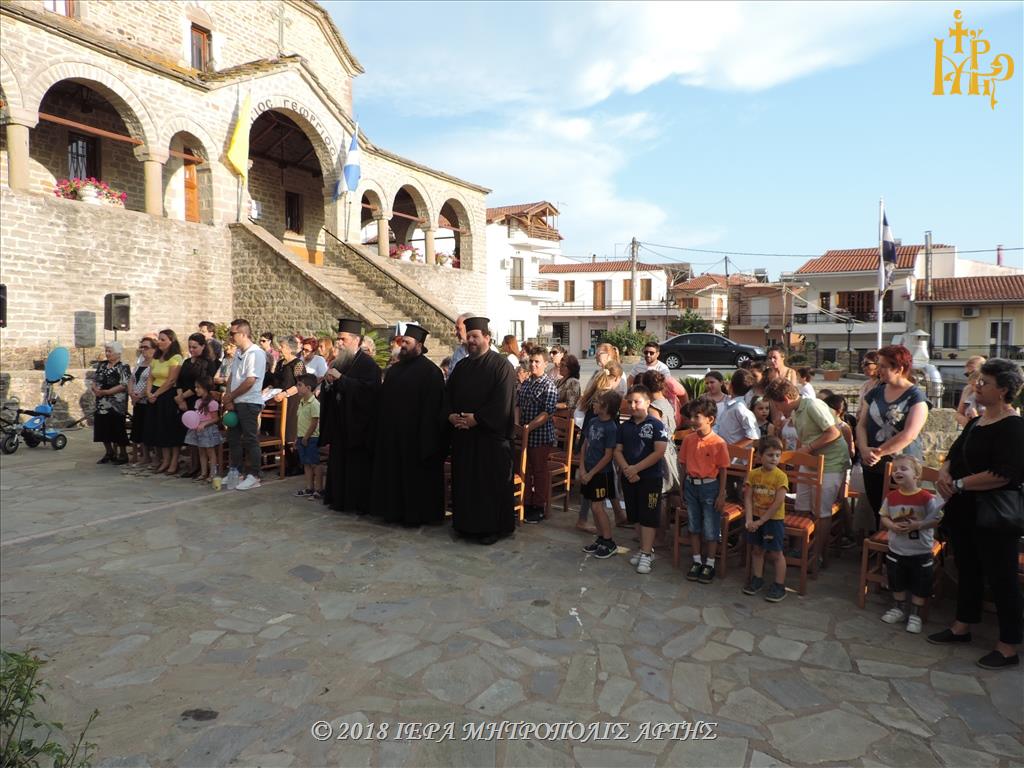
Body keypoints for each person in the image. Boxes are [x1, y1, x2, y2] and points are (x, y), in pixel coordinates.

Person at [931, 358, 1024, 669]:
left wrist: (958, 483)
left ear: (1004, 390)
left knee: (1002, 578)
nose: (977, 386)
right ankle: (962, 626)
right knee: (967, 568)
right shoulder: (975, 422)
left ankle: (1008, 645)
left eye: (984, 382)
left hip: (995, 515)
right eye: (978, 380)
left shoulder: (1013, 427)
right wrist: (945, 473)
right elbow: (955, 452)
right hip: (965, 509)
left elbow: (1004, 474)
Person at [446, 317, 517, 544]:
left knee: (488, 486)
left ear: (487, 337)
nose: (471, 341)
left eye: (476, 336)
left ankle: (490, 529)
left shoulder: (502, 366)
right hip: (464, 438)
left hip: (490, 440)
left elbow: (503, 402)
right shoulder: (462, 366)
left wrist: (476, 419)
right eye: (469, 337)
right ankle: (465, 525)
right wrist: (450, 415)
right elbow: (447, 395)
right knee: (466, 483)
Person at [765, 377, 850, 569]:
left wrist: (808, 448)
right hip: (810, 461)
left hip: (830, 462)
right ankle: (799, 547)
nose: (777, 410)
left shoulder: (812, 406)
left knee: (821, 510)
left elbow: (834, 433)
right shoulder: (796, 411)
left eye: (777, 405)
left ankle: (818, 553)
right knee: (802, 505)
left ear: (786, 399)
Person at [371, 323, 447, 525]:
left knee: (415, 480)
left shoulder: (431, 372)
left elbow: (434, 409)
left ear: (419, 346)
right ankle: (394, 512)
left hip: (417, 438)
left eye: (407, 342)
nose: (403, 345)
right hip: (393, 436)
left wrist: (426, 438)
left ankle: (416, 516)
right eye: (402, 341)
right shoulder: (394, 370)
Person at [856, 344, 929, 524]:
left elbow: (909, 434)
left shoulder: (916, 396)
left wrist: (877, 453)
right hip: (872, 464)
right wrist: (864, 449)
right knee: (878, 513)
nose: (878, 370)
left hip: (902, 466)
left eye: (883, 366)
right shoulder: (874, 393)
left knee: (901, 514)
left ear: (899, 368)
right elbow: (861, 425)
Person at [320, 318, 382, 514]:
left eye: (343, 339)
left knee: (356, 467)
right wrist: (329, 383)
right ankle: (338, 499)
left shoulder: (368, 364)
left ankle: (355, 503)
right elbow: (333, 388)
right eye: (338, 339)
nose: (339, 343)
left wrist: (342, 379)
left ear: (356, 340)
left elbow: (369, 392)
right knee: (338, 464)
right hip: (340, 422)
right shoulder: (341, 361)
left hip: (358, 426)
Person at [879, 454, 944, 634]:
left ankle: (915, 614)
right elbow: (883, 515)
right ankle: (898, 608)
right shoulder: (891, 497)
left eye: (903, 468)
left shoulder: (925, 498)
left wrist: (919, 525)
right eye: (895, 469)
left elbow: (937, 519)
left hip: (920, 551)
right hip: (897, 549)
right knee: (896, 579)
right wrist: (891, 525)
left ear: (916, 475)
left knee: (920, 582)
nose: (898, 472)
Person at [615, 386, 668, 574]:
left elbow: (659, 451)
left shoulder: (656, 425)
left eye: (637, 401)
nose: (632, 405)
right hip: (629, 478)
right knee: (634, 515)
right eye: (629, 401)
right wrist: (627, 469)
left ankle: (646, 553)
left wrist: (637, 468)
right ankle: (645, 549)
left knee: (648, 516)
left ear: (647, 403)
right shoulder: (624, 427)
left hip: (649, 478)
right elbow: (617, 450)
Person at [679, 398, 730, 583]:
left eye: (697, 416)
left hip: (710, 487)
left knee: (711, 527)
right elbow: (683, 464)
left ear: (710, 419)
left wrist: (721, 493)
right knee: (693, 525)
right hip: (691, 486)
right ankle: (696, 560)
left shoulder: (718, 443)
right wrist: (682, 487)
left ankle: (709, 563)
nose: (692, 420)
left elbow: (723, 469)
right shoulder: (688, 440)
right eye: (691, 416)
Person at [575, 364, 628, 531]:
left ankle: (618, 514)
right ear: (616, 379)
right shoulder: (607, 398)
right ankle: (589, 522)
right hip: (596, 449)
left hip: (597, 448)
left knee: (604, 482)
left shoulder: (599, 393)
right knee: (596, 491)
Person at [742, 436, 790, 602]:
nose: (774, 459)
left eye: (777, 455)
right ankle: (758, 578)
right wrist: (749, 519)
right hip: (755, 517)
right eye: (770, 455)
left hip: (773, 520)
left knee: (776, 553)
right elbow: (748, 497)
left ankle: (779, 585)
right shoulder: (753, 475)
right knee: (757, 549)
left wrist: (761, 521)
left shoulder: (781, 477)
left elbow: (778, 503)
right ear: (759, 456)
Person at [222, 319, 267, 491]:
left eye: (232, 333)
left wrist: (232, 395)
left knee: (250, 439)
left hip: (249, 402)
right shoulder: (239, 353)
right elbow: (232, 377)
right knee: (233, 439)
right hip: (237, 401)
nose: (230, 337)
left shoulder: (256, 353)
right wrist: (228, 398)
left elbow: (250, 381)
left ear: (243, 334)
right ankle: (236, 471)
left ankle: (254, 475)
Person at [579, 389, 623, 559]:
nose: (594, 405)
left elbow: (608, 455)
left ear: (605, 407)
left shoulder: (611, 427)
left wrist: (592, 474)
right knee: (592, 505)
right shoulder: (593, 421)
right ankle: (600, 539)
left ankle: (609, 541)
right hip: (588, 470)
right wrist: (582, 468)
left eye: (597, 402)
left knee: (598, 507)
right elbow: (585, 445)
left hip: (601, 473)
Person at [517, 348, 558, 524]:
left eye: (537, 362)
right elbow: (517, 404)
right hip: (524, 433)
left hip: (540, 435)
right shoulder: (526, 382)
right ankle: (524, 502)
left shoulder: (548, 384)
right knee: (525, 469)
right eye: (531, 361)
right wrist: (518, 425)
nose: (533, 364)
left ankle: (538, 506)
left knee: (539, 471)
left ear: (545, 364)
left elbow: (547, 412)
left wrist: (530, 427)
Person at [175, 333, 215, 477]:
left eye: (195, 347)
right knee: (190, 436)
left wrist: (182, 398)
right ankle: (193, 465)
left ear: (203, 346)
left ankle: (200, 467)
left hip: (197, 400)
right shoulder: (187, 362)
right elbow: (179, 381)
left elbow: (201, 384)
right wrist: (180, 398)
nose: (191, 350)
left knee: (199, 435)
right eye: (190, 347)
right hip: (184, 401)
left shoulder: (207, 363)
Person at [146, 329, 185, 475]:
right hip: (155, 394)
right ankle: (165, 460)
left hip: (167, 395)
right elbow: (150, 377)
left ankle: (174, 461)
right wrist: (149, 392)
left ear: (171, 341)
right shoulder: (156, 357)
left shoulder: (175, 357)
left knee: (170, 429)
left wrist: (155, 393)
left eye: (163, 339)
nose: (160, 342)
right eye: (159, 339)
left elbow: (171, 380)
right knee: (159, 429)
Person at [92, 340, 131, 465]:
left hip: (116, 402)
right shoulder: (102, 365)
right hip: (102, 402)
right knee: (102, 427)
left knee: (117, 427)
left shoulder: (123, 366)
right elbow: (95, 379)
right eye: (106, 351)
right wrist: (95, 389)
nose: (107, 354)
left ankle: (123, 454)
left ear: (118, 353)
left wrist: (107, 392)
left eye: (110, 351)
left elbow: (124, 384)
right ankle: (109, 452)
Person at [182, 376, 222, 482]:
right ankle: (204, 472)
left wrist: (205, 423)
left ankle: (213, 473)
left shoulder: (212, 403)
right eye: (196, 387)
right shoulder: (198, 402)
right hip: (198, 430)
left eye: (198, 387)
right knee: (201, 452)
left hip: (208, 431)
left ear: (205, 388)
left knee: (210, 452)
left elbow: (216, 418)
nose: (196, 389)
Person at [292, 374, 324, 500]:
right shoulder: (301, 402)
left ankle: (319, 489)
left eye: (300, 385)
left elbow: (314, 422)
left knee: (315, 463)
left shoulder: (314, 403)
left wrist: (306, 437)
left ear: (309, 387)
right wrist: (298, 437)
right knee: (306, 463)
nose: (297, 387)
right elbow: (300, 421)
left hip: (312, 438)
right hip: (302, 437)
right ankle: (309, 487)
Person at [128, 338, 156, 469]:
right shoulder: (140, 363)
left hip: (146, 400)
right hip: (137, 400)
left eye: (146, 347)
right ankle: (144, 456)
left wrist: (142, 395)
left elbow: (151, 382)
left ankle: (151, 456)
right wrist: (132, 394)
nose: (143, 350)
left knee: (147, 428)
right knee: (138, 427)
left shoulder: (154, 364)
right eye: (142, 347)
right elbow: (132, 379)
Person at [715, 369, 759, 448]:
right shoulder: (729, 404)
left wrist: (732, 449)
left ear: (730, 386)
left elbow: (753, 435)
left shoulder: (740, 408)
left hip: (735, 458)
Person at [955, 355, 987, 427]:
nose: (970, 376)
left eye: (973, 372)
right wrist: (968, 423)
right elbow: (958, 414)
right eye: (967, 374)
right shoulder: (967, 389)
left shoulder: (991, 388)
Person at [854, 351, 880, 418]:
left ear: (878, 365)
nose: (862, 366)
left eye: (866, 363)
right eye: (862, 363)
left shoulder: (882, 385)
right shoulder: (865, 384)